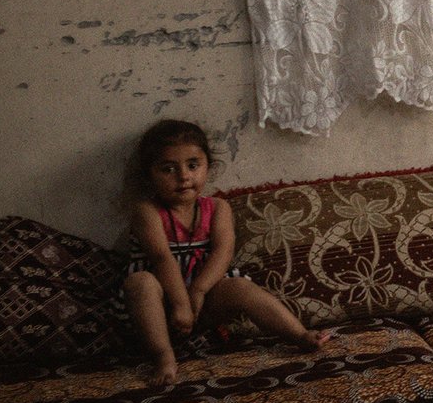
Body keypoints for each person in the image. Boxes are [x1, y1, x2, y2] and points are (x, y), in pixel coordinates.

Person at [125, 119, 329, 383]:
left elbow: (224, 251)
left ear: (208, 166)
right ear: (149, 175)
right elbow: (161, 257)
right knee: (141, 283)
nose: (184, 176)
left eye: (193, 165)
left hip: (202, 303)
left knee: (239, 287)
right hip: (158, 308)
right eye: (168, 169)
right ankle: (164, 357)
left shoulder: (217, 208)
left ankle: (299, 335)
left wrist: (197, 291)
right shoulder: (147, 212)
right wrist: (179, 303)